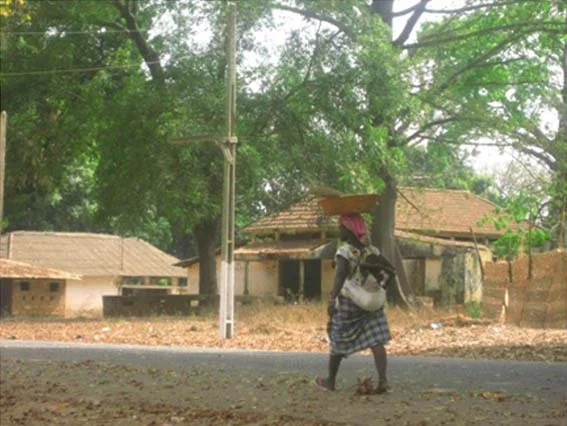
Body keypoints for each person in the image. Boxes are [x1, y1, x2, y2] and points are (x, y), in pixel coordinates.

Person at [315, 213, 393, 394]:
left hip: (350, 303)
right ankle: (383, 381)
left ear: (349, 229)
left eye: (341, 227)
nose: (339, 231)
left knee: (339, 339)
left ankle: (330, 381)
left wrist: (332, 298)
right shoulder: (373, 250)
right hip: (373, 302)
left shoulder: (345, 251)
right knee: (377, 341)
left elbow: (340, 277)